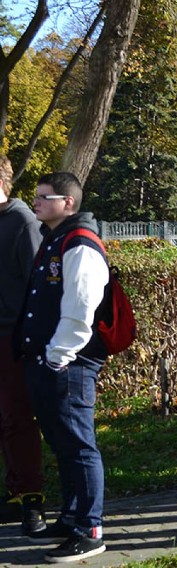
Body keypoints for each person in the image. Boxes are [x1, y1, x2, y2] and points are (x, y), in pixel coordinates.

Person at [16, 172, 110, 562]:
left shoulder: (80, 243)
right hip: (49, 360)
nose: (35, 202)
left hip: (68, 362)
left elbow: (80, 307)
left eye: (44, 197)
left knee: (79, 445)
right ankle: (72, 516)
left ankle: (90, 528)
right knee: (62, 443)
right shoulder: (56, 239)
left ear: (67, 202)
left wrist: (58, 355)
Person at [0, 155, 45, 534]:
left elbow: (38, 285)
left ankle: (31, 498)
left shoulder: (22, 222)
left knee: (17, 417)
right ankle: (12, 491)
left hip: (11, 337)